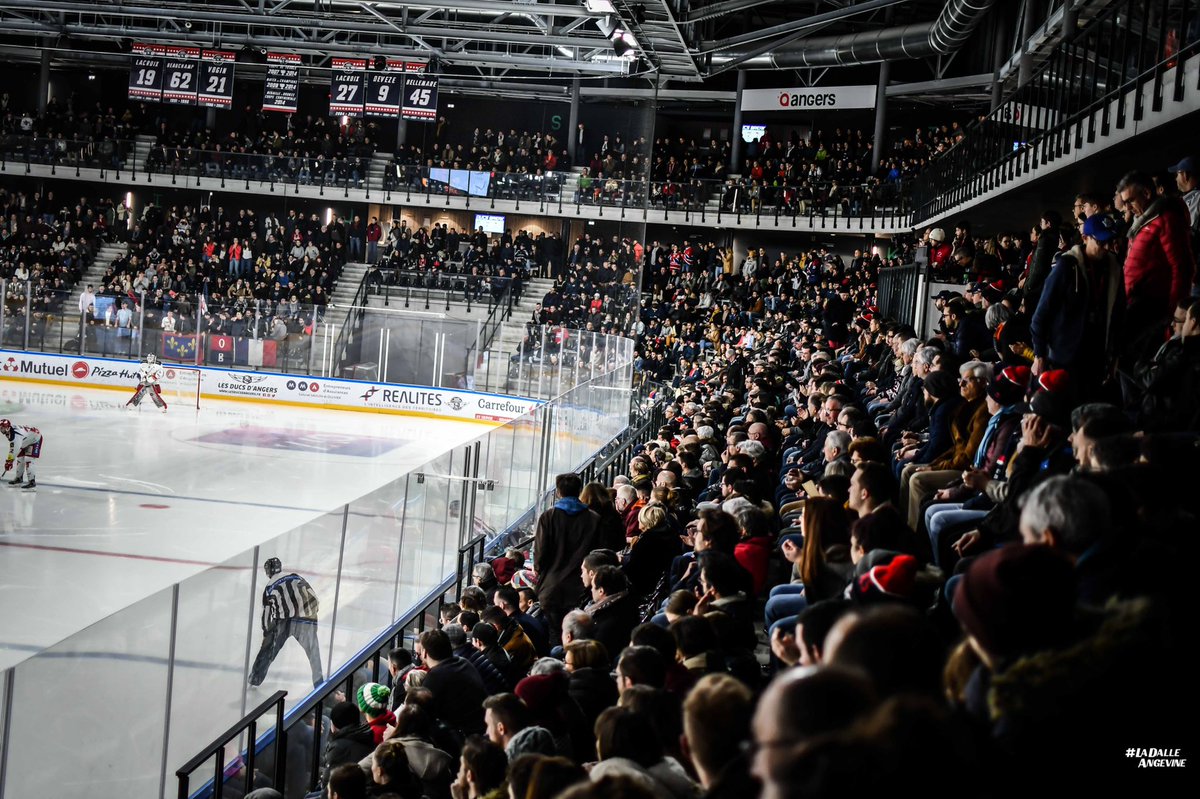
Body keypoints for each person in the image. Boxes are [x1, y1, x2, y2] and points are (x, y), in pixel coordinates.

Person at [534, 473, 604, 640]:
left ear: (558, 492)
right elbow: (599, 553)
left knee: (555, 635)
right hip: (582, 589)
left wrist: (539, 570)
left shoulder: (548, 517)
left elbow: (540, 553)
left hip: (552, 588)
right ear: (579, 490)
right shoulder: (594, 518)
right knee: (580, 634)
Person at [248, 557, 324, 688]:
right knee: (314, 652)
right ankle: (319, 684)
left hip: (283, 622)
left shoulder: (269, 588)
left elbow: (266, 616)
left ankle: (255, 678)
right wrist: (312, 617)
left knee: (267, 650)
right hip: (306, 619)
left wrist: (267, 633)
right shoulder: (295, 576)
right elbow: (313, 597)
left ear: (268, 571)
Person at [1, 418, 42, 490]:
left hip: (35, 439)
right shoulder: (10, 431)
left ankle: (32, 481)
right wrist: (9, 461)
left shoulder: (15, 436)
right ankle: (19, 478)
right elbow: (14, 448)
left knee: (29, 459)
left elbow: (14, 449)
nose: (1, 430)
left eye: (2, 428)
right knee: (20, 459)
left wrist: (9, 462)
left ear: (7, 428)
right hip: (26, 439)